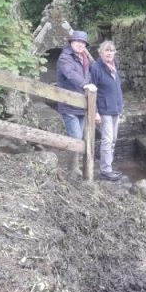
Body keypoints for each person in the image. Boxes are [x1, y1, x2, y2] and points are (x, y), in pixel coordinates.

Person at [56, 29, 95, 175]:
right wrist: (85, 84)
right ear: (71, 42)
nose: (80, 44)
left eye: (83, 42)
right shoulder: (65, 58)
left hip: (82, 105)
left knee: (80, 137)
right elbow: (70, 74)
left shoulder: (84, 58)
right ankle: (72, 168)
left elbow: (92, 72)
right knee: (76, 138)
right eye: (77, 41)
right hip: (69, 105)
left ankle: (74, 167)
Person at [90, 40, 124, 181]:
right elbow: (92, 90)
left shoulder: (114, 66)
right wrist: (96, 112)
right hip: (104, 110)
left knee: (113, 140)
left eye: (111, 50)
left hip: (115, 108)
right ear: (100, 52)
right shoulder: (96, 68)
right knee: (107, 140)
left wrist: (121, 106)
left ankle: (108, 167)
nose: (109, 53)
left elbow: (116, 88)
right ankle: (105, 170)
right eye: (106, 50)